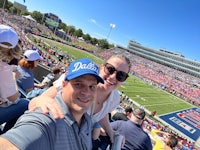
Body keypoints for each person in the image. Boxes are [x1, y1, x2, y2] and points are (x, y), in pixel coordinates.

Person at [0, 58, 104, 150]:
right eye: (78, 84)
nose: (86, 92)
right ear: (63, 85)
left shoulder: (87, 121)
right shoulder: (46, 120)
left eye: (92, 87)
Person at [29, 54, 131, 146]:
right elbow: (39, 100)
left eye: (121, 75)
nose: (113, 77)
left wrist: (111, 132)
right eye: (110, 69)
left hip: (79, 138)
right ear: (102, 67)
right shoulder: (75, 78)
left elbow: (102, 114)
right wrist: (39, 103)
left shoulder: (115, 99)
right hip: (54, 131)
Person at [0, 24, 29, 134]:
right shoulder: (4, 69)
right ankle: (5, 139)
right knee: (25, 103)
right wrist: (13, 77)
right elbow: (13, 98)